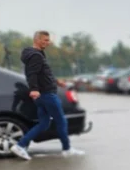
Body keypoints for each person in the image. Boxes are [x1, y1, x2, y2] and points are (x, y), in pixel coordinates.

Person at [10, 30, 85, 160]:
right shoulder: (36, 56)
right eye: (45, 40)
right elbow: (32, 73)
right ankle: (67, 149)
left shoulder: (36, 54)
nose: (48, 43)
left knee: (44, 123)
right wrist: (34, 89)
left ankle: (20, 146)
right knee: (61, 121)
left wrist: (56, 82)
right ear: (37, 40)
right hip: (47, 95)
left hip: (43, 95)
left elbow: (42, 74)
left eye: (48, 40)